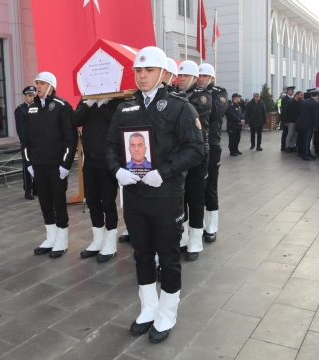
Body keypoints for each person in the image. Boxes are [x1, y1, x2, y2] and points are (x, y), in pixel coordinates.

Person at [105, 46, 204, 343]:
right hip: (134, 195)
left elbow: (196, 148)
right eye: (138, 70)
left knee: (169, 256)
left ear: (163, 73)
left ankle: (166, 313)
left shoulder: (179, 106)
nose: (142, 75)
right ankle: (148, 308)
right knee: (143, 254)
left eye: (148, 70)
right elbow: (110, 146)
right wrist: (116, 171)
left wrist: (164, 171)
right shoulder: (125, 108)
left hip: (165, 193)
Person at [24, 72, 76, 258]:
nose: (38, 86)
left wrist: (66, 164)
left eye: (42, 83)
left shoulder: (62, 106)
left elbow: (71, 138)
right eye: (37, 83)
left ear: (52, 86)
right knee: (45, 202)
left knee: (59, 203)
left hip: (56, 165)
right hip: (38, 164)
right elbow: (26, 140)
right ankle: (51, 238)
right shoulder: (31, 109)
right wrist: (29, 162)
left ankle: (62, 241)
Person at [72, 95, 124, 263]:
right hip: (90, 160)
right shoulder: (86, 102)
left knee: (108, 202)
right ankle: (97, 240)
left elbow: (117, 125)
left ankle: (110, 243)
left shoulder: (116, 103)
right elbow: (75, 120)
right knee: (92, 201)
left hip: (108, 161)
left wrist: (104, 102)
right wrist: (89, 103)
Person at [182, 62, 213, 261]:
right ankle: (183, 237)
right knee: (180, 197)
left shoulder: (203, 96)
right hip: (180, 152)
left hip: (198, 151)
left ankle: (195, 240)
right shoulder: (178, 96)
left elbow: (186, 114)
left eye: (185, 75)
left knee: (195, 197)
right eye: (179, 75)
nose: (181, 78)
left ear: (195, 77)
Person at [203, 74, 228, 244]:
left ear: (211, 78)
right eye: (198, 76)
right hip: (195, 144)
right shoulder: (193, 92)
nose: (200, 79)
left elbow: (213, 113)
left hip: (211, 144)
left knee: (210, 186)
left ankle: (211, 226)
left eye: (204, 76)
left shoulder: (220, 93)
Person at [15, 86, 37, 200]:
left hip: (38, 143)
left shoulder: (38, 108)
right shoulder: (20, 110)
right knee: (28, 167)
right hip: (27, 144)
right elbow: (21, 130)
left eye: (33, 95)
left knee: (38, 166)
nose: (32, 97)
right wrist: (27, 143)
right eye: (29, 95)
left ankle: (36, 188)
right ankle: (28, 190)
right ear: (25, 96)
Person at [297, 90, 319, 160]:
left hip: (301, 123)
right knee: (307, 140)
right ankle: (306, 154)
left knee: (303, 139)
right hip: (309, 124)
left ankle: (306, 153)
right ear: (317, 95)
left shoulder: (303, 101)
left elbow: (299, 111)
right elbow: (315, 115)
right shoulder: (315, 103)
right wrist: (316, 125)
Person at [280, 87, 295, 151]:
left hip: (289, 119)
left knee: (289, 133)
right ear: (288, 91)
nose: (293, 92)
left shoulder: (291, 98)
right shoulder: (285, 99)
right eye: (292, 91)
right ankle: (283, 146)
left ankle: (289, 145)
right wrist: (285, 120)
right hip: (286, 119)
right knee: (285, 133)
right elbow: (284, 111)